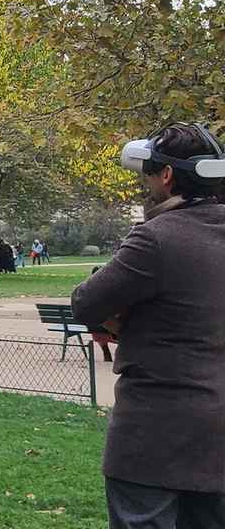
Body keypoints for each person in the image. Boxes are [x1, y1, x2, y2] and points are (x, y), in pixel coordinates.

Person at [73, 123, 225, 529]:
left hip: (154, 435)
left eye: (148, 173)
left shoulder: (156, 238)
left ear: (167, 176)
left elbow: (85, 302)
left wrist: (126, 320)